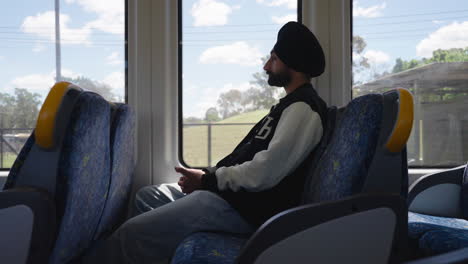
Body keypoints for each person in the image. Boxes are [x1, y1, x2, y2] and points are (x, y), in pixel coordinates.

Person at [84, 21, 327, 264]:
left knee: (130, 235)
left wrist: (208, 180)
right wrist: (207, 176)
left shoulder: (303, 110)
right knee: (148, 196)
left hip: (249, 210)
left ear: (292, 63)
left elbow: (266, 171)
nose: (266, 66)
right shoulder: (287, 106)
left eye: (273, 59)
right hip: (234, 198)